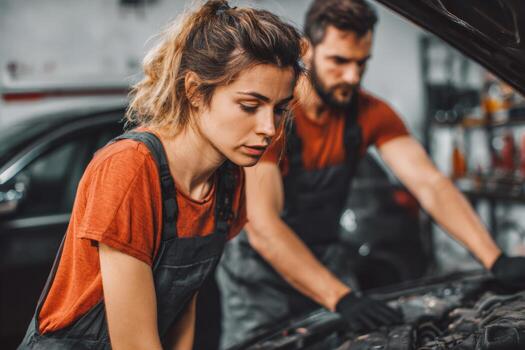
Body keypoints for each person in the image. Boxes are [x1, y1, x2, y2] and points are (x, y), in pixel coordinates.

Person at [217, 0, 525, 347]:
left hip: (326, 259)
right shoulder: (274, 120)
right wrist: (341, 298)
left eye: (361, 63)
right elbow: (264, 227)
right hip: (258, 282)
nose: (352, 76)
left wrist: (493, 257)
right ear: (308, 50)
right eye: (339, 61)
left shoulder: (370, 114)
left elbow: (430, 184)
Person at [17, 1, 303, 349]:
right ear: (195, 91)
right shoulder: (130, 168)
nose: (269, 128)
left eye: (279, 109)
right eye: (249, 106)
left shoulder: (227, 181)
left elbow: (182, 300)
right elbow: (134, 344)